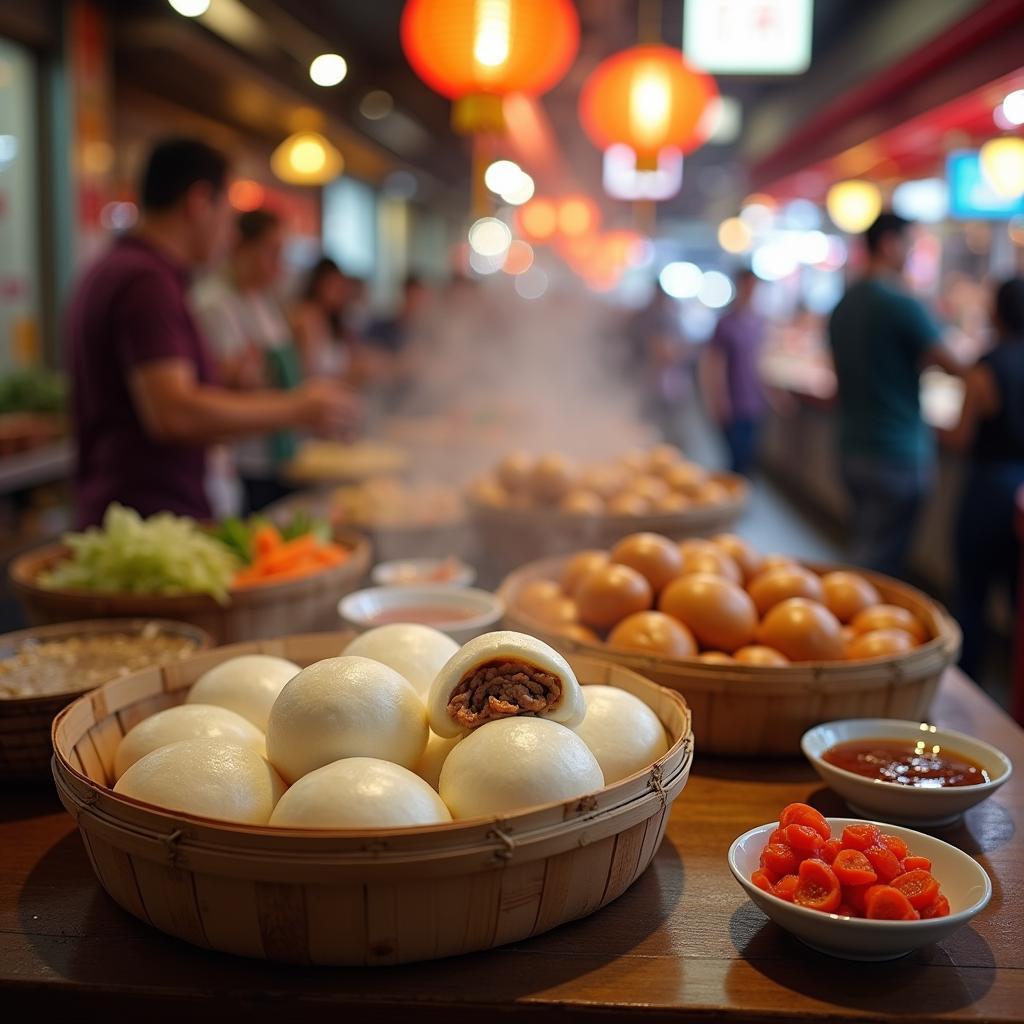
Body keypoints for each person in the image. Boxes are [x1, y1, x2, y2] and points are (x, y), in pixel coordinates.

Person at [67, 137, 355, 527]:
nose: (228, 231)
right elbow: (173, 413)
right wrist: (298, 407)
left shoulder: (119, 267)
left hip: (134, 512)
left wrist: (226, 377)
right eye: (227, 211)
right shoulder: (145, 280)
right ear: (199, 202)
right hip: (149, 520)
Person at [828, 212, 962, 577]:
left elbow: (838, 377)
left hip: (852, 446)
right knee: (880, 563)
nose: (911, 255)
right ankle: (859, 627)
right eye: (909, 245)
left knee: (866, 544)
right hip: (896, 450)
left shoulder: (842, 305)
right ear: (889, 244)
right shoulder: (900, 303)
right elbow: (953, 364)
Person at [192, 207, 301, 513]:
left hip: (278, 450)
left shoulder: (264, 301)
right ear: (241, 247)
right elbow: (220, 382)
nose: (278, 265)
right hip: (242, 459)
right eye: (272, 252)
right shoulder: (213, 303)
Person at [942, 278, 1024, 679]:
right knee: (1018, 599)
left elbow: (960, 437)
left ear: (996, 312)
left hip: (988, 487)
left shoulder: (987, 364)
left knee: (971, 594)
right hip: (1021, 492)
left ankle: (967, 686)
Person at [704, 269, 767, 475]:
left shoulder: (759, 322)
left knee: (748, 458)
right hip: (733, 402)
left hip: (754, 403)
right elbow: (715, 364)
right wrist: (718, 400)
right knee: (736, 459)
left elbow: (759, 363)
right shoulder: (726, 323)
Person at [290, 257, 366, 380]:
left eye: (341, 287)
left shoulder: (333, 319)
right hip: (317, 394)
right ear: (319, 284)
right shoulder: (306, 316)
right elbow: (308, 374)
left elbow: (352, 358)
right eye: (334, 285)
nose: (340, 292)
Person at [365, 276, 431, 355]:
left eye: (421, 301)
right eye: (412, 298)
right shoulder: (378, 329)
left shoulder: (428, 336)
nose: (416, 305)